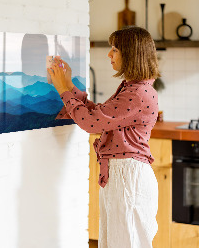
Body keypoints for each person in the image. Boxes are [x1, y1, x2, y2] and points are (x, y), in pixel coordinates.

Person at [48, 26, 160, 248]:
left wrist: (63, 89)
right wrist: (69, 85)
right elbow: (98, 115)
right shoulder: (133, 88)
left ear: (131, 54)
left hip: (128, 177)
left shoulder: (137, 93)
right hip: (123, 175)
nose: (109, 54)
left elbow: (91, 123)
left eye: (115, 49)